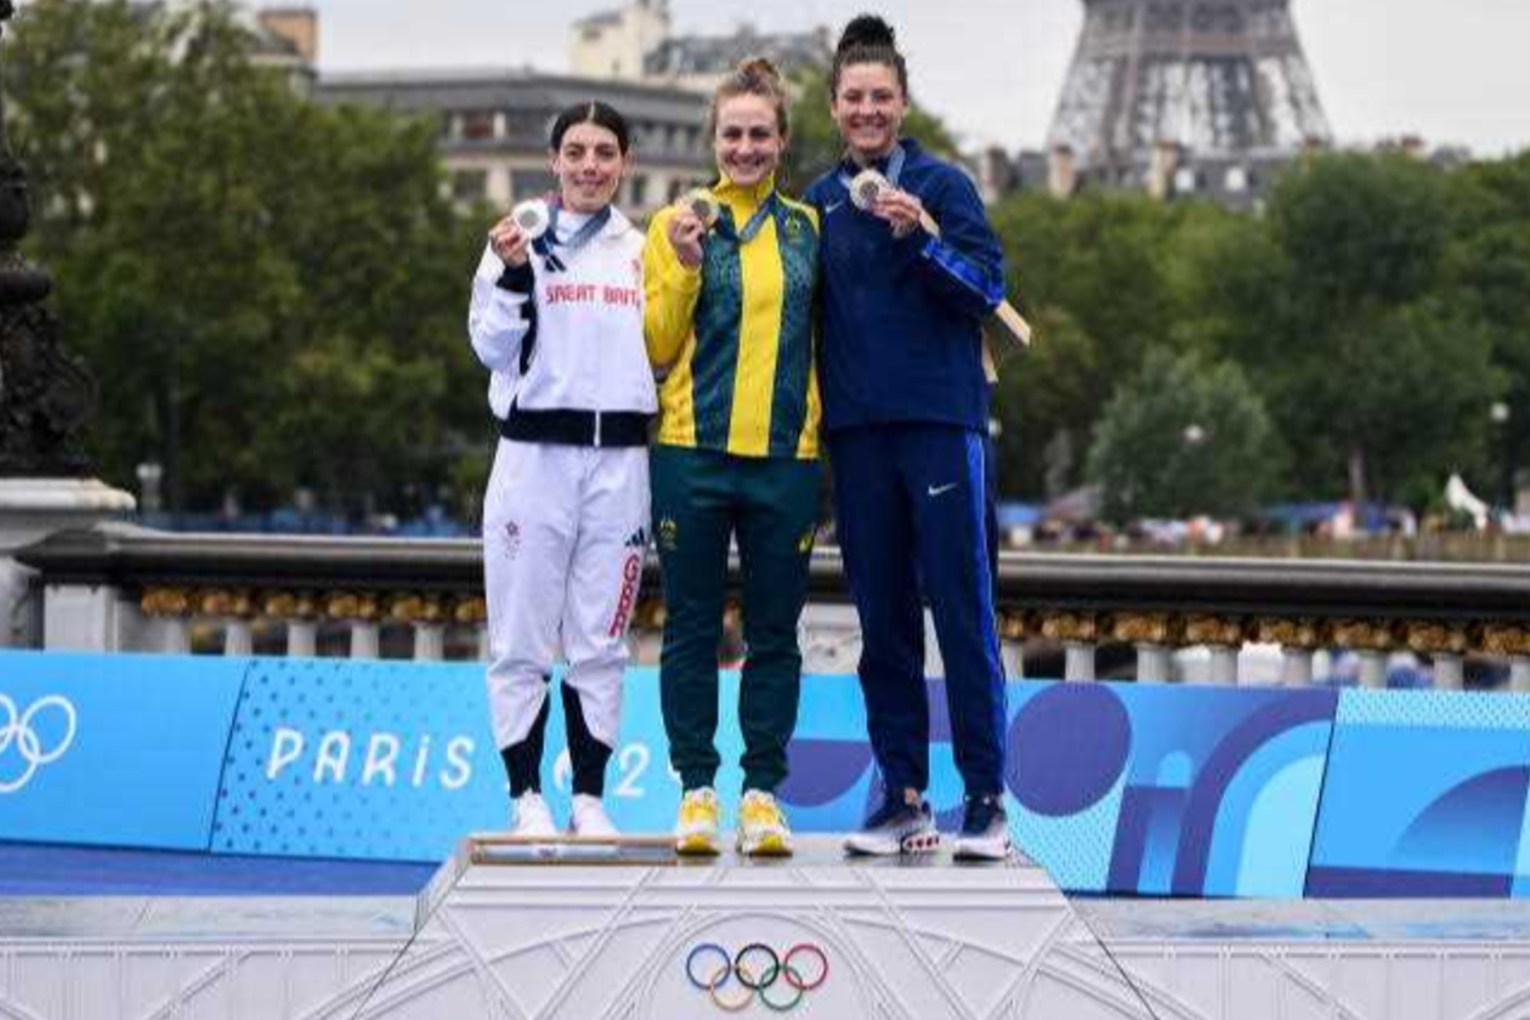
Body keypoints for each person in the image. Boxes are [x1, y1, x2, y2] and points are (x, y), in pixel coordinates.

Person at [805, 15, 1012, 861]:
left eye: (880, 97)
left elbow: (989, 285)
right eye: (853, 98)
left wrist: (923, 237)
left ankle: (988, 799)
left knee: (963, 615)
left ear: (903, 102)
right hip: (857, 435)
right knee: (883, 624)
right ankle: (902, 795)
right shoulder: (817, 201)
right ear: (834, 106)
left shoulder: (945, 185)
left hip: (939, 424)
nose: (867, 111)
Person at [644, 57, 823, 857]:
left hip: (788, 458)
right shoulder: (675, 222)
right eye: (731, 134)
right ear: (711, 139)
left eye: (759, 134)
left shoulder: (809, 228)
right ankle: (695, 790)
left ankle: (762, 792)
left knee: (776, 632)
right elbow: (653, 343)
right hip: (691, 453)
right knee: (689, 628)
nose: (745, 148)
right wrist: (683, 267)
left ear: (782, 141)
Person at [468, 102, 655, 838]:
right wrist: (515, 276)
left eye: (604, 152)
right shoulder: (515, 242)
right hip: (534, 458)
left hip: (621, 464)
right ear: (553, 161)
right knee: (520, 633)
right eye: (575, 151)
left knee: (602, 638)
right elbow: (488, 346)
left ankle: (590, 796)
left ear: (624, 163)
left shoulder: (643, 251)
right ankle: (525, 797)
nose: (589, 166)